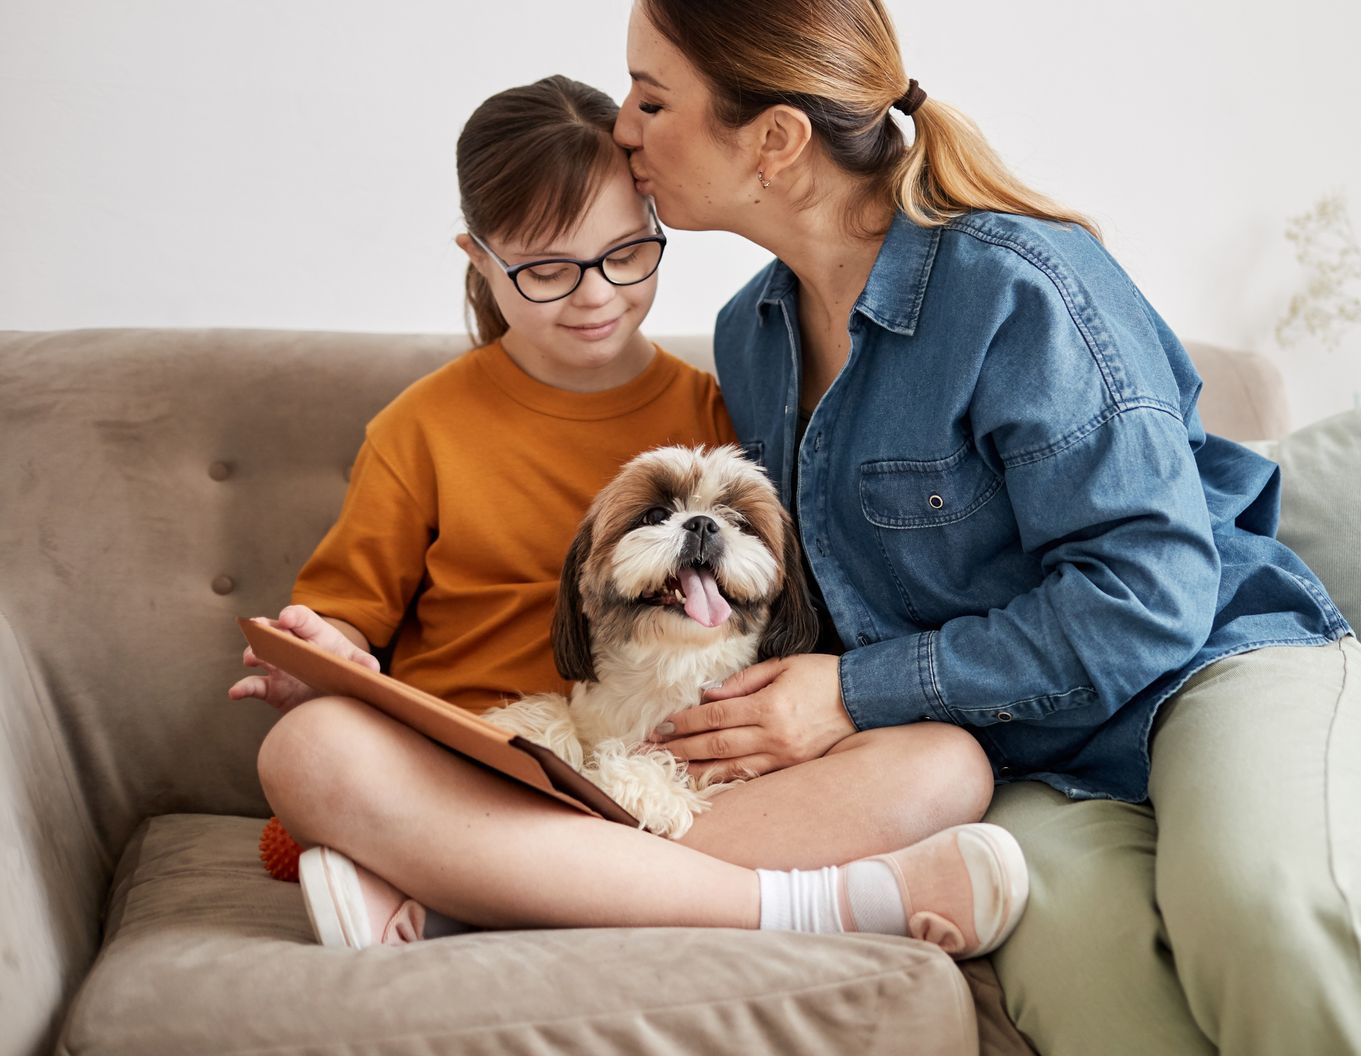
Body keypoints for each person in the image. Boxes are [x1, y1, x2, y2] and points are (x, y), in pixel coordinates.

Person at [616, 0, 1361, 1055]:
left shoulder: (1018, 285)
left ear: (772, 137)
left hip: (1220, 666)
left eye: (649, 97)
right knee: (1088, 977)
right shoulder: (752, 336)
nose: (621, 127)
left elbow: (1151, 592)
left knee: (1269, 909)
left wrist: (856, 691)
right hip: (1027, 755)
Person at [232, 75, 1022, 957]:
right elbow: (348, 619)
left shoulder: (721, 412)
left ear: (656, 224)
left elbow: (779, 591)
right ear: (478, 256)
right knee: (306, 751)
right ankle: (814, 905)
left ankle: (468, 897)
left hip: (677, 771)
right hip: (476, 772)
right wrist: (328, 653)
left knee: (947, 764)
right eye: (545, 269)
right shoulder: (420, 427)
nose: (595, 294)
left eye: (624, 255)